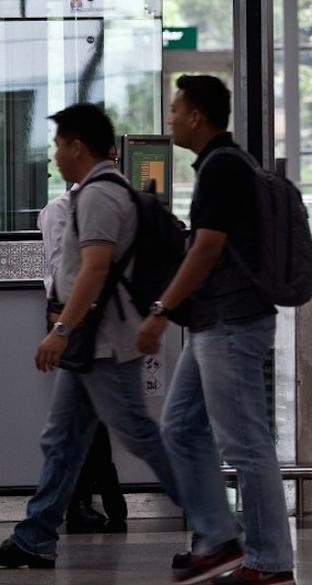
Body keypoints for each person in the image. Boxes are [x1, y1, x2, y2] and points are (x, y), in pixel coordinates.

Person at [0, 103, 180, 569]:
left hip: (104, 341)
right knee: (62, 440)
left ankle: (218, 526)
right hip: (91, 340)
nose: (55, 154)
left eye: (59, 145)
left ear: (77, 146)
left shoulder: (99, 195)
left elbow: (94, 270)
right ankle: (35, 536)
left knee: (142, 436)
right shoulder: (93, 193)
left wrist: (60, 329)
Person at [136, 74, 295, 585]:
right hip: (214, 324)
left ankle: (272, 564)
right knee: (180, 428)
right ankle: (219, 537)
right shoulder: (221, 165)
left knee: (247, 444)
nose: (171, 118)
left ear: (197, 115)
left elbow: (206, 247)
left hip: (231, 323)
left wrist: (161, 310)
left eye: (176, 109)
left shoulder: (223, 168)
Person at [38, 153, 128, 536]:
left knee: (80, 418)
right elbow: (67, 270)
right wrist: (63, 327)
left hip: (71, 315)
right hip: (76, 316)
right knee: (88, 418)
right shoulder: (69, 208)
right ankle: (92, 501)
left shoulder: (77, 205)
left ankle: (84, 505)